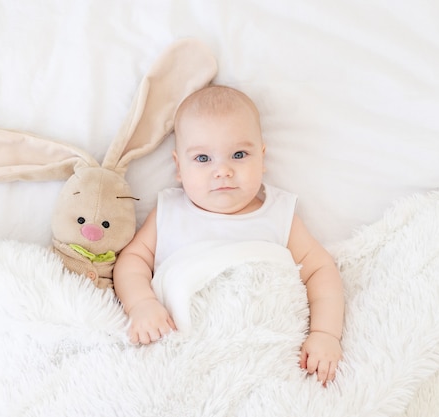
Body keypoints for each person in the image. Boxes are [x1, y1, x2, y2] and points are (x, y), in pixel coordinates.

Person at [113, 85, 344, 385]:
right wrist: (142, 304)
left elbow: (321, 271)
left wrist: (325, 334)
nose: (222, 170)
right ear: (178, 167)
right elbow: (132, 261)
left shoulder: (279, 214)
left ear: (262, 158)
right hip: (187, 356)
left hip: (265, 353)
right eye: (202, 159)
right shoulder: (170, 212)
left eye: (238, 154)